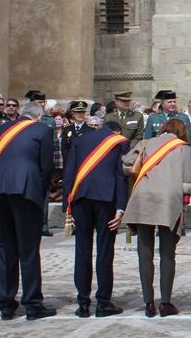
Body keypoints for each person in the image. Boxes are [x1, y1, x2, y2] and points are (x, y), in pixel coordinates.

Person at [0, 103, 56, 320]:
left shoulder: (0, 130)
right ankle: (32, 304)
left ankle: (6, 304)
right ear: (38, 117)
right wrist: (39, 192)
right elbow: (46, 167)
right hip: (25, 191)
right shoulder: (43, 130)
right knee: (29, 249)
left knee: (4, 249)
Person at [123, 118, 191, 318]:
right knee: (167, 253)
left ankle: (148, 303)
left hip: (142, 198)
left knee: (144, 253)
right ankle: (165, 302)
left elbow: (127, 164)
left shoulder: (145, 143)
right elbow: (186, 183)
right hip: (167, 200)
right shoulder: (182, 148)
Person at [61, 116, 129, 318]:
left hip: (81, 198)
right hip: (106, 198)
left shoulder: (79, 140)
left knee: (82, 250)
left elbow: (70, 172)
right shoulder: (119, 141)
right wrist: (121, 207)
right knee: (105, 251)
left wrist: (68, 205)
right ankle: (103, 302)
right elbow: (121, 177)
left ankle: (83, 302)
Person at [145, 90, 191, 166]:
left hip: (178, 158)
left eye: (174, 102)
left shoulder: (183, 118)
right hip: (159, 159)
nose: (173, 104)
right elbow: (147, 141)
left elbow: (190, 141)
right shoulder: (153, 118)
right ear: (162, 104)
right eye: (170, 102)